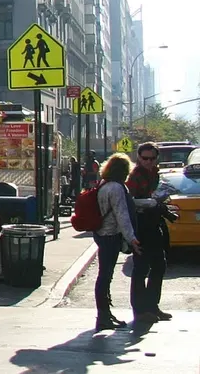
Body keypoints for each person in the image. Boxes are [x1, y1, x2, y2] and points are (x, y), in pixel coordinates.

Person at [92, 153, 141, 331]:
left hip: (100, 233)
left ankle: (105, 314)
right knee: (105, 276)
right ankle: (103, 316)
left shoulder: (103, 184)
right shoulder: (116, 188)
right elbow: (122, 215)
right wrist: (131, 238)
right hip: (110, 234)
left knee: (105, 275)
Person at [127, 142, 172, 323]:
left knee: (159, 265)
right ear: (139, 157)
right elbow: (129, 201)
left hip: (154, 223)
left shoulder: (155, 173)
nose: (148, 161)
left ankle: (152, 306)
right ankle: (140, 310)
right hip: (140, 225)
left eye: (152, 158)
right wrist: (147, 202)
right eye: (145, 158)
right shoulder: (134, 175)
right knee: (140, 268)